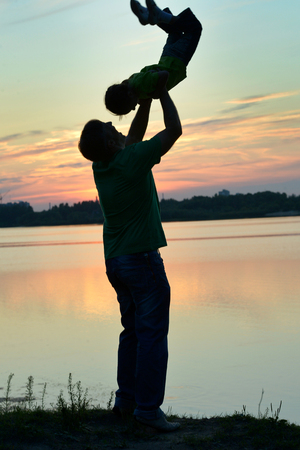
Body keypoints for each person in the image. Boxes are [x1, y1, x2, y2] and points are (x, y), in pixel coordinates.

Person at [78, 87, 182, 431]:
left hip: (116, 263)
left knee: (133, 332)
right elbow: (174, 131)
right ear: (110, 143)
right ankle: (149, 410)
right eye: (111, 128)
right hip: (142, 261)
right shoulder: (131, 159)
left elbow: (133, 137)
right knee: (152, 334)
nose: (115, 124)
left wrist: (146, 101)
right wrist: (164, 93)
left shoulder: (103, 167)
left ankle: (127, 400)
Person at [105, 0, 202, 116]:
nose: (133, 109)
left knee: (194, 28)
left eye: (130, 107)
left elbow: (164, 74)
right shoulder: (133, 81)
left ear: (130, 95)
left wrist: (157, 93)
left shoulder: (140, 86)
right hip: (168, 57)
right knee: (174, 31)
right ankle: (149, 14)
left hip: (176, 60)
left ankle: (158, 16)